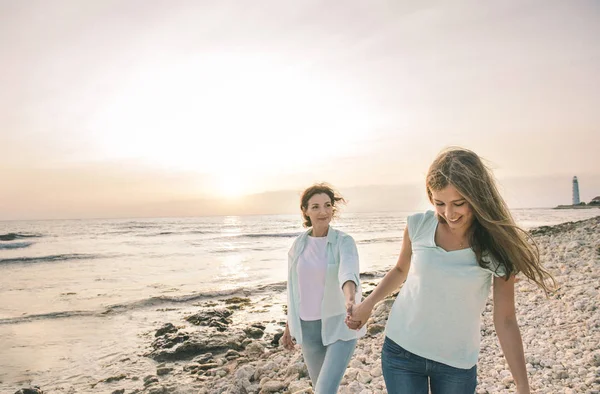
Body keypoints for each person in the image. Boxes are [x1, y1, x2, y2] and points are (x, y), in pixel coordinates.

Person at [346, 147, 555, 394]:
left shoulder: (495, 247)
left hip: (457, 362)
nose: (449, 213)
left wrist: (522, 385)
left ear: (478, 197)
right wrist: (367, 305)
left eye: (459, 203)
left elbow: (506, 319)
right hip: (401, 351)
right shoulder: (418, 225)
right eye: (439, 203)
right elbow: (401, 269)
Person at [281, 183, 366, 393]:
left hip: (339, 323)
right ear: (306, 210)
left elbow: (348, 273)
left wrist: (350, 299)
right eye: (316, 206)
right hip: (308, 328)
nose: (323, 211)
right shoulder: (298, 245)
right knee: (322, 388)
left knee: (324, 390)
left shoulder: (344, 242)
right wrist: (288, 328)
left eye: (328, 205)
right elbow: (295, 291)